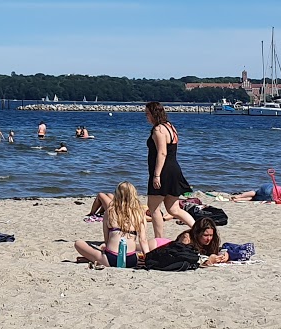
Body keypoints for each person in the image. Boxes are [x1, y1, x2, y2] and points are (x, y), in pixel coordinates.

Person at [72, 181, 152, 269]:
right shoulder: (139, 214)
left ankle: (93, 259)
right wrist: (148, 259)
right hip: (131, 260)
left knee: (78, 243)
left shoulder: (109, 211)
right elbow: (143, 240)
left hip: (111, 259)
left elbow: (107, 239)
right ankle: (93, 259)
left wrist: (105, 248)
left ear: (116, 194)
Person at [145, 102, 195, 230]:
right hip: (174, 169)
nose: (146, 117)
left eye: (147, 114)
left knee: (154, 208)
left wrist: (156, 175)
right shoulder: (170, 127)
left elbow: (162, 152)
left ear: (154, 114)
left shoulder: (158, 130)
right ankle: (197, 230)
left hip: (163, 171)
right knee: (174, 209)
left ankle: (159, 241)